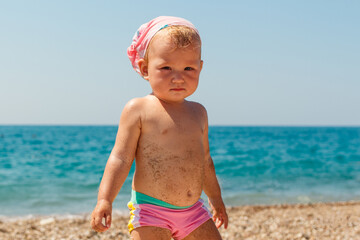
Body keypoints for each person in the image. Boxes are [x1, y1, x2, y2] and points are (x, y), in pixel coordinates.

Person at [91, 16, 228, 240]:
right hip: (151, 212)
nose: (178, 77)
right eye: (166, 67)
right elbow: (120, 158)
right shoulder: (139, 109)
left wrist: (216, 199)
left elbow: (205, 161)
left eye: (188, 68)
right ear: (145, 69)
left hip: (194, 212)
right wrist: (104, 200)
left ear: (200, 68)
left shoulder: (199, 113)